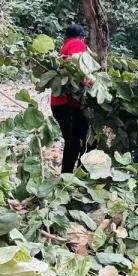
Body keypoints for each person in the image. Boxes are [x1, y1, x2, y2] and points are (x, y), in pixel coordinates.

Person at [50, 24, 90, 173]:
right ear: (82, 37)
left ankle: (69, 176)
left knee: (74, 142)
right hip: (68, 104)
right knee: (85, 141)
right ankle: (80, 175)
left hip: (60, 103)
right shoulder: (77, 44)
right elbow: (76, 66)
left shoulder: (64, 47)